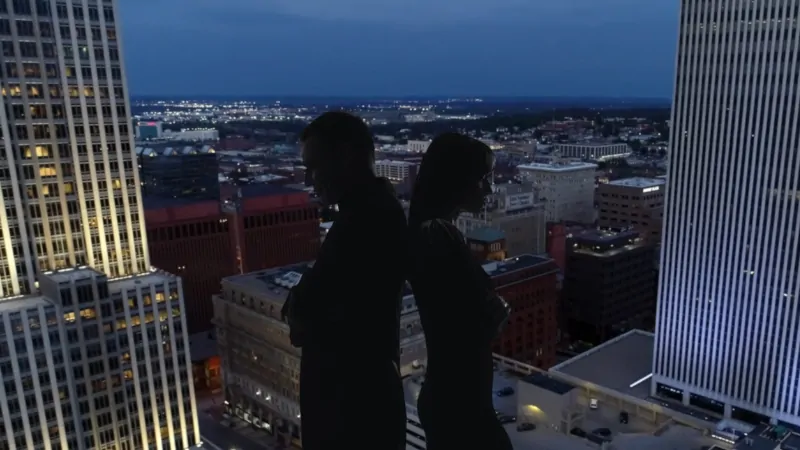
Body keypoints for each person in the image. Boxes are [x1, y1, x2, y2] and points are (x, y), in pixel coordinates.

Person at [281, 111, 407, 450]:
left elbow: (303, 321)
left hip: (352, 416)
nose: (309, 180)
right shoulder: (370, 213)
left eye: (314, 166)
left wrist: (301, 298)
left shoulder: (366, 222)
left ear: (346, 156)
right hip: (358, 408)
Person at [407, 132, 513, 450]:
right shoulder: (437, 235)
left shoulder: (434, 232)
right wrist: (494, 314)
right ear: (456, 180)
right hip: (459, 401)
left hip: (454, 396)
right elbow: (467, 324)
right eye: (482, 179)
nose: (489, 189)